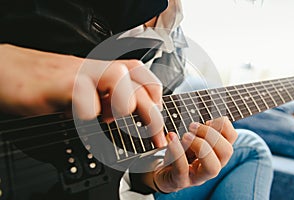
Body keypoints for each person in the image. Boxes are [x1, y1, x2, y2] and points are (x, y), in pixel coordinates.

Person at [0, 0, 273, 199]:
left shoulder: (173, 47)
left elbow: (124, 151)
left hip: (95, 181)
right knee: (252, 148)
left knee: (247, 143)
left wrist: (156, 177)